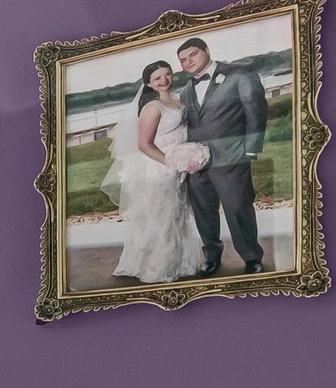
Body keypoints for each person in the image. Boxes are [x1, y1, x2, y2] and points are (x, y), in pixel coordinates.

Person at [177, 35, 272, 274]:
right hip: (196, 164)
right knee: (203, 212)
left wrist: (250, 149)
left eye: (193, 54)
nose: (188, 62)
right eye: (183, 60)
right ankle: (211, 257)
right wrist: (185, 157)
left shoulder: (239, 74)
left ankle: (251, 257)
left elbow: (256, 111)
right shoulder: (185, 91)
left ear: (207, 50)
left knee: (238, 208)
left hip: (231, 157)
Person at [106, 60, 204, 285]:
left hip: (178, 167)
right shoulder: (152, 108)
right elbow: (144, 144)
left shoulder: (178, 101)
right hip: (159, 168)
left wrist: (188, 157)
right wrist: (172, 162)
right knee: (161, 216)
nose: (164, 80)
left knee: (176, 214)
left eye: (167, 74)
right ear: (149, 84)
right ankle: (157, 267)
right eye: (157, 78)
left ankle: (180, 263)